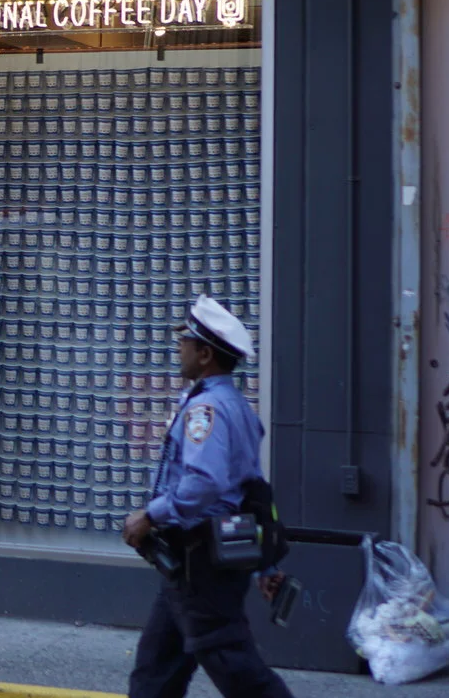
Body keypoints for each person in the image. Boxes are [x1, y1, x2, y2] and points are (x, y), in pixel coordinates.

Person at [122, 294, 294, 698]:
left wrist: (150, 515)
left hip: (202, 564)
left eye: (185, 341)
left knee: (236, 668)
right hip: (194, 563)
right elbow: (251, 489)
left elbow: (205, 482)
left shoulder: (208, 410)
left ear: (204, 354)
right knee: (155, 672)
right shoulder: (235, 405)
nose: (178, 348)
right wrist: (263, 564)